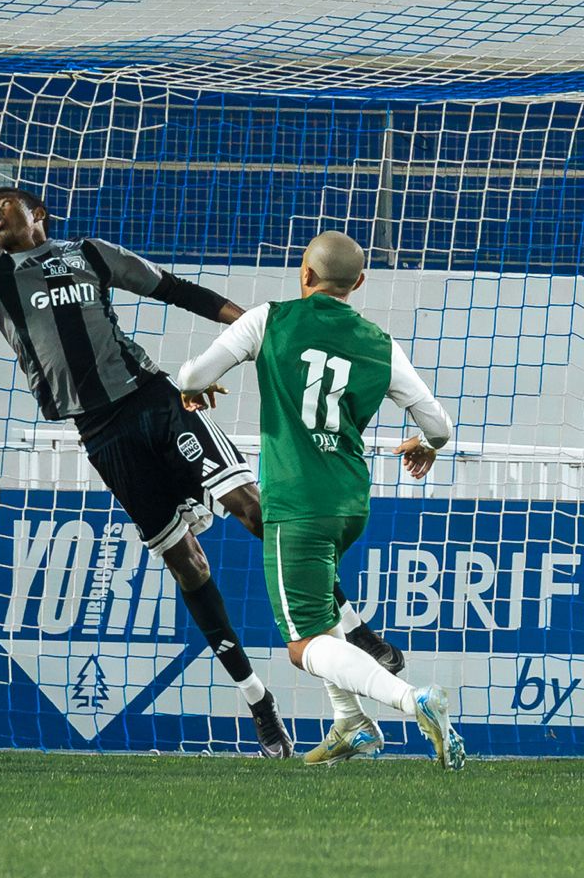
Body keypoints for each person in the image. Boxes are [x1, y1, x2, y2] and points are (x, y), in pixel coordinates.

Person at [0, 130, 403, 757]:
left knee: (257, 510)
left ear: (36, 214)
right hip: (101, 435)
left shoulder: (91, 254)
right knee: (188, 566)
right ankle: (256, 698)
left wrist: (260, 327)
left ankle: (360, 634)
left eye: (2, 205)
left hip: (158, 403)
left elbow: (174, 289)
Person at [176, 229, 465, 769]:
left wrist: (193, 388)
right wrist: (425, 446)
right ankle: (353, 726)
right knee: (324, 613)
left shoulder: (271, 318)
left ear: (305, 276)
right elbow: (439, 425)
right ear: (357, 283)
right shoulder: (380, 342)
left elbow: (193, 374)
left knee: (302, 644)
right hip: (351, 502)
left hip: (297, 503)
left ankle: (413, 701)